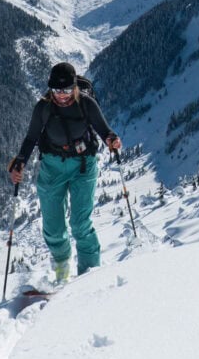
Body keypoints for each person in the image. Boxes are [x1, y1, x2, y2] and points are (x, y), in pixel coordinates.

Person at [8, 62, 122, 283]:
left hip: (83, 165)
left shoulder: (86, 104)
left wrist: (112, 140)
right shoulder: (43, 107)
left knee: (81, 224)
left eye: (67, 90)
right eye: (57, 90)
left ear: (75, 87)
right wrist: (20, 160)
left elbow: (104, 130)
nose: (61, 95)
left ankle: (89, 276)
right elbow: (31, 137)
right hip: (52, 166)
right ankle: (62, 272)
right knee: (53, 227)